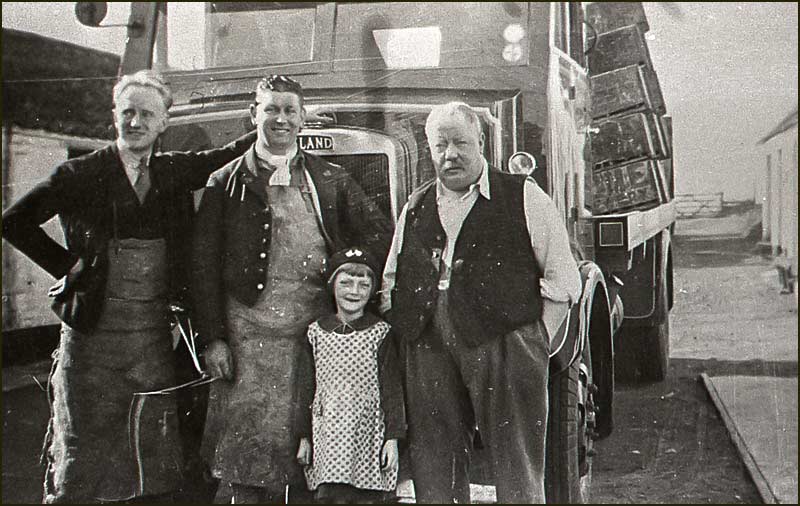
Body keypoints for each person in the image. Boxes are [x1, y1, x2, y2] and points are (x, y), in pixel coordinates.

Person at [0, 70, 256, 503]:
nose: (135, 122)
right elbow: (13, 222)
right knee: (82, 457)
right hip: (91, 343)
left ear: (163, 124)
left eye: (146, 115)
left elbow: (224, 156)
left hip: (150, 343)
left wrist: (266, 122)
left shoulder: (173, 172)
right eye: (127, 112)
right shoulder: (79, 173)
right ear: (114, 117)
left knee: (151, 456)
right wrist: (69, 266)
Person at [191, 75, 393, 504]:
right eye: (271, 109)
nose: (280, 119)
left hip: (314, 334)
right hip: (249, 338)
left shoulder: (330, 178)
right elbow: (202, 267)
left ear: (302, 118)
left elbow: (379, 230)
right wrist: (212, 339)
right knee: (246, 459)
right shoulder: (223, 182)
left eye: (289, 110)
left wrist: (348, 274)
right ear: (254, 116)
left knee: (313, 451)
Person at [380, 102, 582, 503]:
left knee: (517, 462)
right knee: (434, 466)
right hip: (428, 344)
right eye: (440, 146)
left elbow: (564, 278)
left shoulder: (522, 195)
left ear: (481, 143)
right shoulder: (416, 204)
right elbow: (390, 280)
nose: (450, 154)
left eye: (460, 143)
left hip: (505, 344)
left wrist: (537, 341)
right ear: (429, 150)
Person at [295, 246, 405, 504]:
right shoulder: (315, 333)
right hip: (328, 435)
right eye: (346, 283)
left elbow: (392, 389)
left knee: (366, 497)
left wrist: (393, 439)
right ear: (332, 286)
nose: (354, 292)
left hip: (368, 435)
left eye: (363, 285)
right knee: (333, 497)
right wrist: (304, 437)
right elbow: (305, 388)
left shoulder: (380, 333)